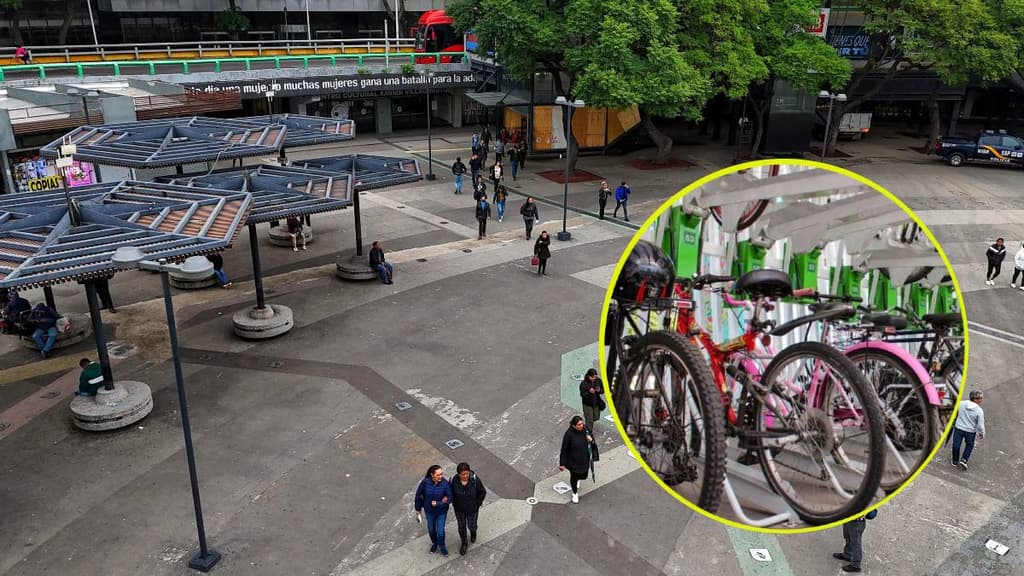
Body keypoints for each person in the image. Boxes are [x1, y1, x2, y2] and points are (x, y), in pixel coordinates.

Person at [559, 415, 600, 503]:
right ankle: (574, 493)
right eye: (579, 424)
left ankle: (578, 479)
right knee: (574, 476)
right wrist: (562, 464)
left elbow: (593, 441)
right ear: (574, 426)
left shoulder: (586, 430)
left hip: (584, 458)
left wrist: (591, 440)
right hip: (573, 461)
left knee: (584, 475)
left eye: (582, 423)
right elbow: (564, 449)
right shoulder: (569, 434)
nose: (582, 426)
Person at [414, 464, 453, 556]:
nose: (441, 477)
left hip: (441, 512)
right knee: (431, 530)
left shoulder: (445, 484)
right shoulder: (425, 482)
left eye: (441, 474)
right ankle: (435, 543)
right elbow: (418, 495)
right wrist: (418, 509)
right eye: (438, 475)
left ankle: (442, 546)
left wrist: (439, 503)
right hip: (429, 511)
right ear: (432, 475)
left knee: (440, 532)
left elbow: (450, 498)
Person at [451, 462, 487, 556]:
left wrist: (477, 504)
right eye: (463, 474)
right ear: (459, 474)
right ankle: (464, 543)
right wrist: (454, 503)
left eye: (467, 473)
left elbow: (482, 492)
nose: (465, 476)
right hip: (459, 510)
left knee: (472, 525)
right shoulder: (454, 481)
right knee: (461, 527)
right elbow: (450, 494)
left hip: (472, 509)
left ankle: (473, 532)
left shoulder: (474, 480)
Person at [833, 508, 877, 573]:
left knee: (856, 544)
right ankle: (847, 555)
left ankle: (855, 565)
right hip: (848, 519)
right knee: (848, 538)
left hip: (857, 523)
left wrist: (865, 512)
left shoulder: (866, 499)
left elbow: (872, 513)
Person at [951, 389, 986, 470]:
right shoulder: (979, 410)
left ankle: (954, 461)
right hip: (970, 431)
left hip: (959, 428)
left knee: (956, 445)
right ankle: (964, 460)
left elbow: (954, 412)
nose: (982, 400)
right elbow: (980, 424)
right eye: (981, 398)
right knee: (969, 445)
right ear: (976, 399)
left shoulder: (961, 403)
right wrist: (982, 432)